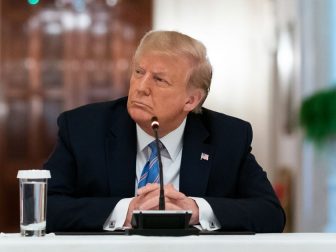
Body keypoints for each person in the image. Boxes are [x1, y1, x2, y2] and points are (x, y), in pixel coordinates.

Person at [45, 30, 285, 233]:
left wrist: (196, 210)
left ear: (191, 100)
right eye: (139, 72)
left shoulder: (229, 137)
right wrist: (124, 212)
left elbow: (271, 214)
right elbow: (45, 208)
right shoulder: (83, 128)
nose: (140, 87)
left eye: (159, 80)